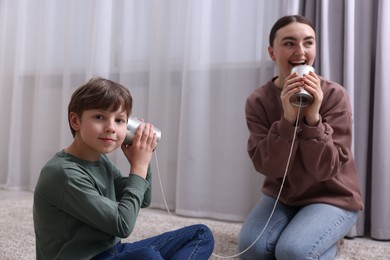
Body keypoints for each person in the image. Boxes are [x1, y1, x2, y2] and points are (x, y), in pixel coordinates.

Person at [33, 77, 214, 260]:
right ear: (75, 121)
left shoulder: (100, 161)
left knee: (201, 234)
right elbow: (122, 225)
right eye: (99, 117)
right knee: (148, 256)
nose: (111, 127)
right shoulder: (64, 173)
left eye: (119, 120)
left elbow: (143, 199)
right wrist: (139, 166)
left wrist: (142, 157)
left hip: (112, 252)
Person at [238, 15, 363, 259]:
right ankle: (308, 233)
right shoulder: (258, 101)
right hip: (283, 196)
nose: (300, 52)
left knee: (292, 251)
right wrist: (288, 119)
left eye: (308, 42)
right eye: (289, 43)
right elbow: (270, 167)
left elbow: (325, 171)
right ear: (272, 52)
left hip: (332, 196)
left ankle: (330, 239)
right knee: (252, 249)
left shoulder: (335, 95)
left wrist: (313, 119)